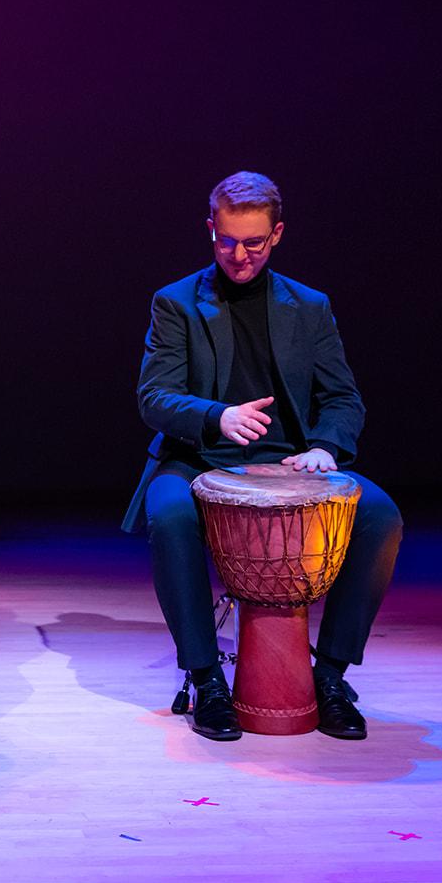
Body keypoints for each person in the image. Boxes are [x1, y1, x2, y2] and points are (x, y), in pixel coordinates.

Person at [122, 171, 402, 741]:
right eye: (226, 240)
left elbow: (343, 397)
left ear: (276, 235)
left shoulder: (310, 306)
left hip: (294, 462)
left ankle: (328, 676)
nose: (238, 255)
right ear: (211, 230)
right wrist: (216, 415)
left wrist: (326, 447)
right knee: (170, 514)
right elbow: (153, 396)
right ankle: (206, 679)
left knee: (380, 516)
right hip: (198, 457)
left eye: (252, 242)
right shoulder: (175, 303)